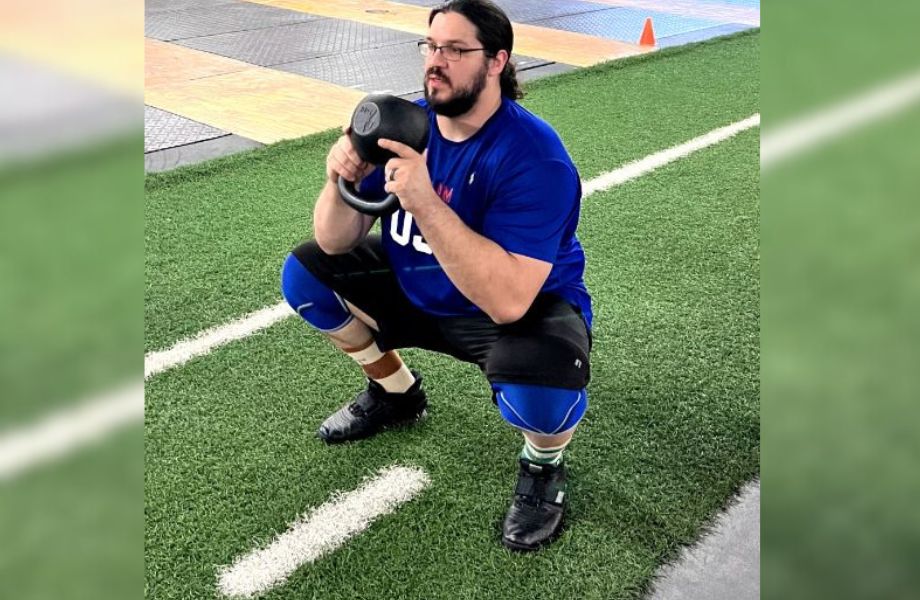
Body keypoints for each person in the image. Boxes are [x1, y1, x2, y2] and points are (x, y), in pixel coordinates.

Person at [280, 0, 592, 552]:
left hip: (511, 308)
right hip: (418, 288)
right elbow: (334, 239)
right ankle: (396, 392)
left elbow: (508, 301)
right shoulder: (409, 126)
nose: (435, 62)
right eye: (430, 46)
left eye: (455, 50)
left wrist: (424, 201)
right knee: (306, 276)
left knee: (540, 388)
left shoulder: (534, 157)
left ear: (497, 61)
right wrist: (339, 177)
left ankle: (543, 468)